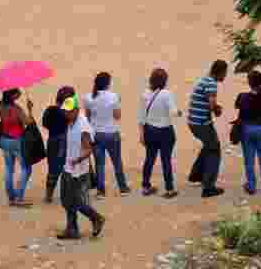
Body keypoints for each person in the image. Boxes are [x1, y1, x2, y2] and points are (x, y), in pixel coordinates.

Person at [57, 94, 105, 240]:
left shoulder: (83, 126)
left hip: (78, 171)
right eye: (65, 111)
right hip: (68, 167)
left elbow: (88, 149)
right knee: (66, 199)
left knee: (75, 201)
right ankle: (72, 229)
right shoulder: (71, 122)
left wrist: (78, 159)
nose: (66, 113)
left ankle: (96, 218)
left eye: (69, 111)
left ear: (76, 109)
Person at [187, 60, 228, 198]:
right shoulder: (211, 83)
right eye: (225, 73)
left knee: (208, 146)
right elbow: (211, 104)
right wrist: (217, 110)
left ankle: (196, 175)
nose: (225, 76)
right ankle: (208, 187)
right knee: (214, 149)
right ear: (220, 72)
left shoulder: (204, 80)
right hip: (201, 123)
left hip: (194, 122)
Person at [85, 72, 130, 199]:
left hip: (96, 134)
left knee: (99, 164)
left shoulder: (89, 97)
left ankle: (101, 191)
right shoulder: (113, 96)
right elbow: (117, 116)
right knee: (117, 162)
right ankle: (123, 188)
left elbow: (88, 117)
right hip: (111, 133)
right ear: (107, 83)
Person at [139, 68, 181, 198]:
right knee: (166, 160)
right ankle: (169, 188)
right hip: (165, 132)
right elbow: (173, 111)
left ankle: (146, 186)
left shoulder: (145, 94)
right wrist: (179, 112)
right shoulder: (166, 94)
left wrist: (141, 134)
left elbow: (141, 117)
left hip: (150, 131)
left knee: (149, 159)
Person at [235, 72, 261, 196]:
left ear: (249, 82)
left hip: (247, 129)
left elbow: (237, 106)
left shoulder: (242, 96)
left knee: (249, 160)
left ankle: (251, 186)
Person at [0, 88, 35, 207]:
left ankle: (11, 197)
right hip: (17, 140)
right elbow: (29, 123)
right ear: (12, 96)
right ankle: (19, 197)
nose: (20, 93)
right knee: (26, 169)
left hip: (4, 139)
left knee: (9, 168)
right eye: (17, 93)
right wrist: (29, 110)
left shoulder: (0, 105)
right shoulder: (17, 109)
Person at [42, 87, 76, 203]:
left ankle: (48, 195)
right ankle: (67, 194)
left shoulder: (50, 110)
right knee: (68, 168)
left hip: (52, 141)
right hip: (65, 141)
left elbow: (45, 124)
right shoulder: (69, 112)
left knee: (52, 169)